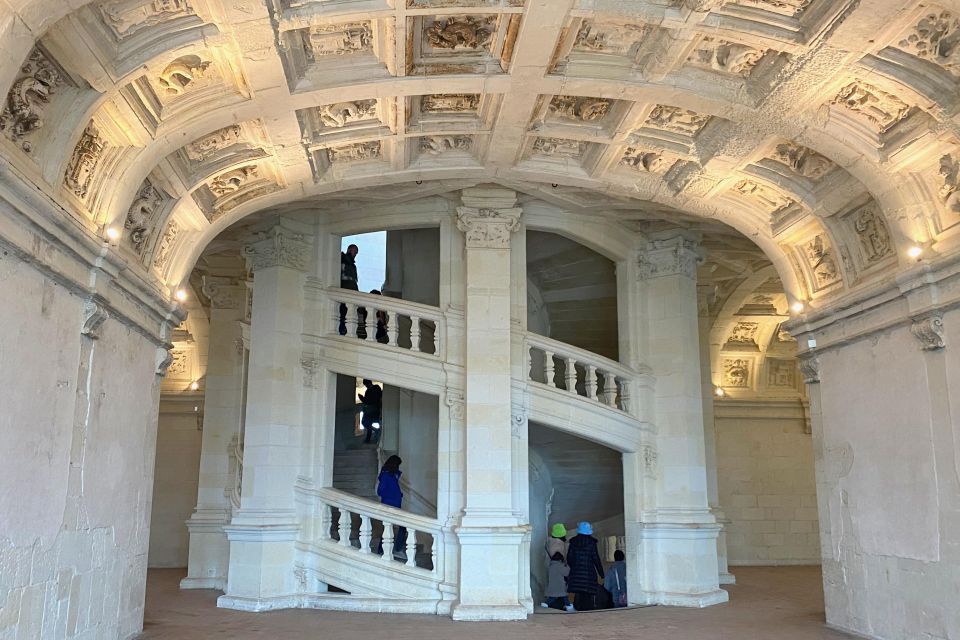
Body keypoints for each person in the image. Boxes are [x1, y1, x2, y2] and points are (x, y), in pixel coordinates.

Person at [566, 521, 605, 611]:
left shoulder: (573, 542)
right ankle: (586, 613)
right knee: (587, 595)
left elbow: (569, 558)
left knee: (579, 593)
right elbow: (596, 559)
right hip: (589, 574)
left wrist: (575, 567)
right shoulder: (591, 543)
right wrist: (601, 573)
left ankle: (578, 611)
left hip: (576, 574)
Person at [376, 455, 407, 557]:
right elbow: (380, 491)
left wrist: (398, 494)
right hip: (390, 505)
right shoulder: (386, 475)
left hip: (394, 505)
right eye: (398, 464)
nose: (399, 467)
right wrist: (394, 495)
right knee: (400, 527)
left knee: (388, 528)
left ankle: (381, 550)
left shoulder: (392, 475)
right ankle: (397, 549)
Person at [339, 244, 359, 335]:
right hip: (344, 292)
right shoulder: (342, 260)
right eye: (354, 251)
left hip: (352, 292)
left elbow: (354, 280)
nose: (355, 254)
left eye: (356, 252)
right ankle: (342, 330)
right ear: (349, 249)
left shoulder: (353, 265)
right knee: (343, 312)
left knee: (349, 313)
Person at [359, 379, 382, 444]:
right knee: (366, 423)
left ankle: (370, 437)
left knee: (366, 423)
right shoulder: (372, 389)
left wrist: (362, 398)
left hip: (374, 410)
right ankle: (374, 433)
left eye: (366, 385)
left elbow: (369, 401)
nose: (366, 386)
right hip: (372, 410)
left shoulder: (375, 389)